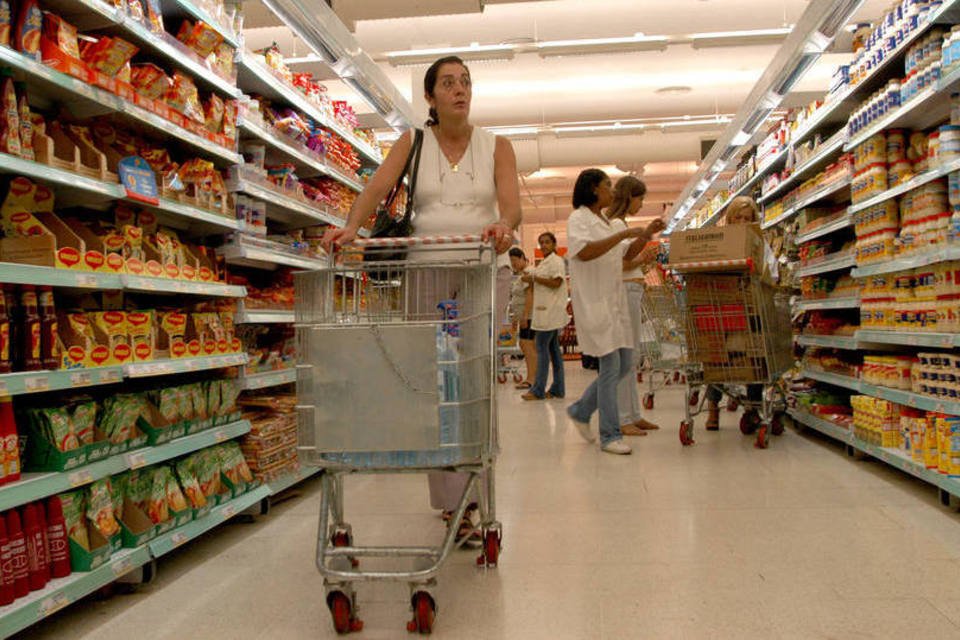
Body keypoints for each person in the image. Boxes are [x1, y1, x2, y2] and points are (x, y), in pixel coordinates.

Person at [321, 55, 522, 543]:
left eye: (466, 82)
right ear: (430, 97)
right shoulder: (414, 142)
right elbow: (378, 186)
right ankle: (453, 501)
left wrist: (504, 226)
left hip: (480, 269)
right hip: (427, 268)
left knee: (474, 379)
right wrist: (351, 226)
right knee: (435, 381)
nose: (460, 90)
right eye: (448, 83)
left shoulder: (498, 146)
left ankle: (475, 496)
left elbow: (510, 203)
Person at [565, 169, 665, 455]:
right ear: (595, 189)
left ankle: (582, 410)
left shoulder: (605, 222)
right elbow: (583, 251)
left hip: (614, 300)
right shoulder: (579, 218)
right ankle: (609, 434)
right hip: (595, 301)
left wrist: (645, 235)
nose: (613, 191)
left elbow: (627, 254)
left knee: (623, 364)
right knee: (611, 367)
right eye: (608, 185)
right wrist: (622, 233)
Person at [703, 195, 774, 431]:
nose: (742, 222)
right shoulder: (717, 242)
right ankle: (713, 408)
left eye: (747, 218)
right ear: (730, 219)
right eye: (738, 217)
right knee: (717, 357)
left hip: (752, 308)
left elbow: (771, 273)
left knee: (756, 356)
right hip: (724, 309)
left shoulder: (760, 243)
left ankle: (752, 406)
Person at [605, 175, 660, 436]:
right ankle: (623, 417)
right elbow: (621, 262)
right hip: (624, 292)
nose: (641, 204)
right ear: (630, 197)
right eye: (640, 198)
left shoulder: (620, 224)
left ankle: (633, 414)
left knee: (632, 354)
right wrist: (645, 247)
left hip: (631, 290)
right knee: (627, 356)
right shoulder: (616, 224)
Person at [521, 232, 568, 401]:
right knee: (554, 352)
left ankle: (538, 389)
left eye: (547, 242)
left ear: (554, 244)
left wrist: (534, 278)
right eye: (541, 243)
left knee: (541, 349)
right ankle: (558, 389)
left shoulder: (556, 261)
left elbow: (557, 282)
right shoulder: (545, 263)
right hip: (546, 312)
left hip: (550, 312)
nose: (544, 245)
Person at [508, 247, 537, 389]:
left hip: (529, 317)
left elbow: (530, 296)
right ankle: (531, 378)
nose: (513, 264)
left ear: (522, 258)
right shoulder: (520, 275)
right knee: (525, 346)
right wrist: (516, 318)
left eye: (514, 260)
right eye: (511, 261)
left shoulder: (528, 273)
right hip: (523, 316)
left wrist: (525, 316)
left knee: (528, 346)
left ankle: (532, 379)